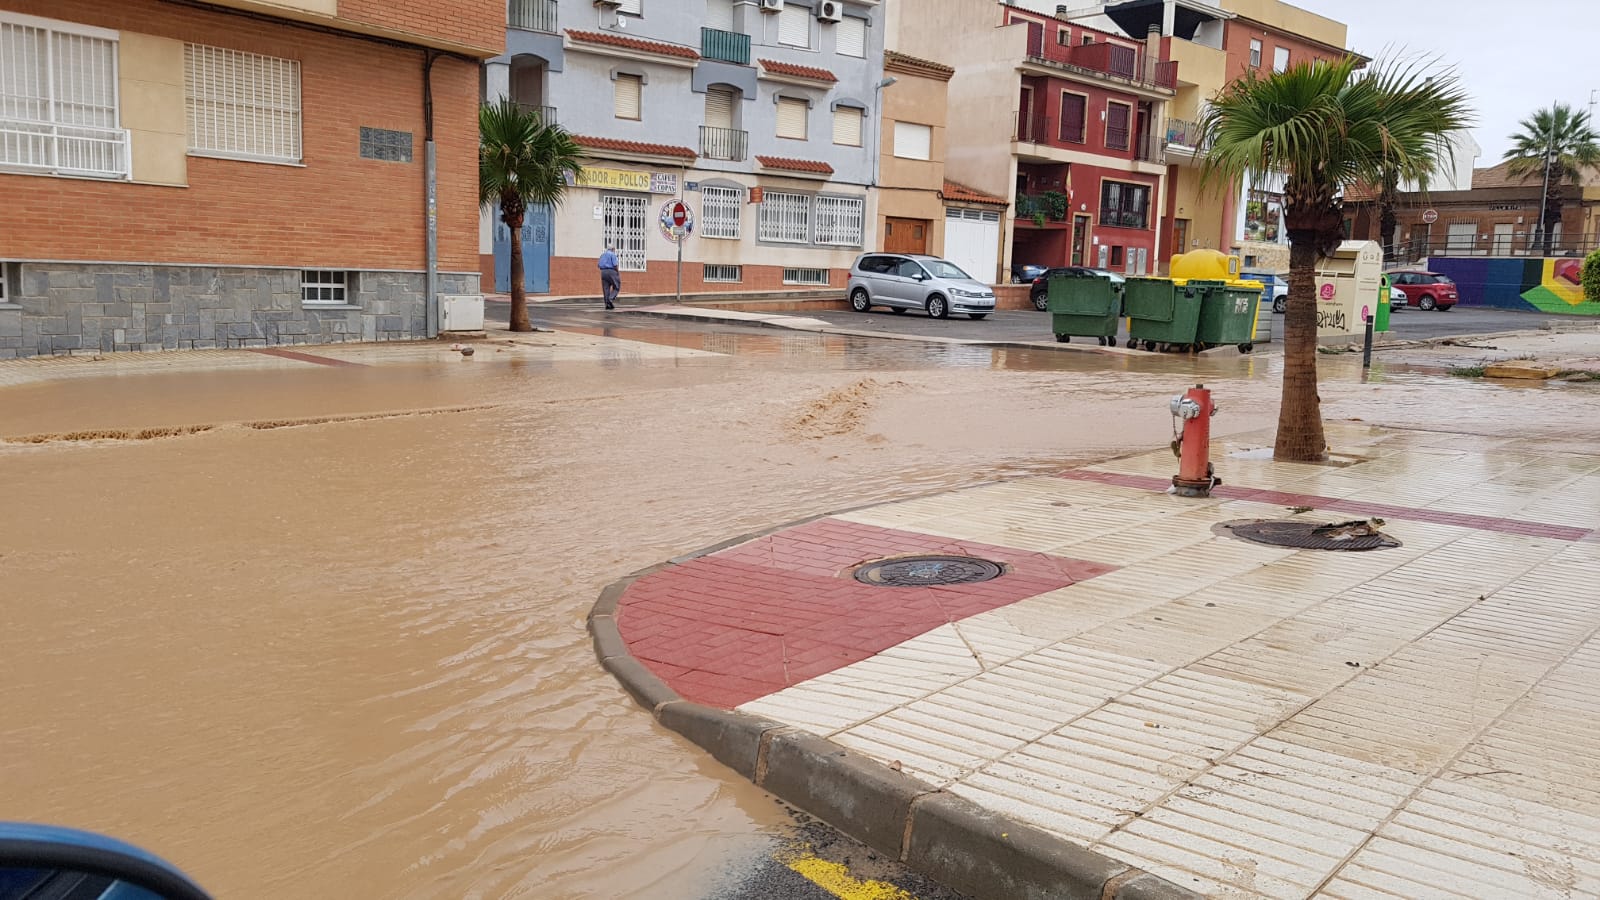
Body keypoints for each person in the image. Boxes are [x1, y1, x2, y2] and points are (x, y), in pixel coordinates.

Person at [598, 244, 621, 310]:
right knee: (617, 286)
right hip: (611, 271)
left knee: (606, 289)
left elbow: (599, 265)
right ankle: (610, 299)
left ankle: (607, 304)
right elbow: (615, 265)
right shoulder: (612, 255)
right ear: (613, 249)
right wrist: (617, 272)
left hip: (603, 272)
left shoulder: (602, 255)